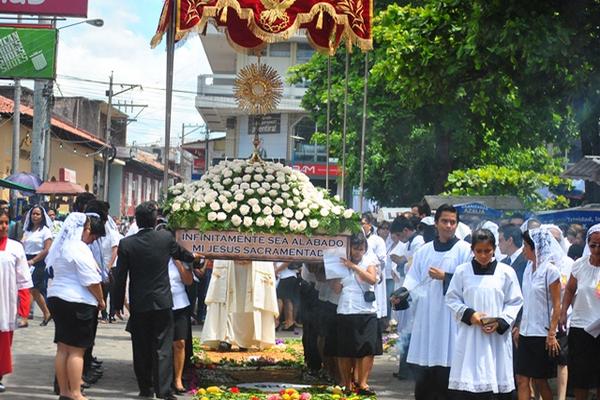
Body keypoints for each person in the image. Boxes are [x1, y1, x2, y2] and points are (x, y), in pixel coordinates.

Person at [114, 201, 200, 400]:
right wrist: (197, 259)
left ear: (136, 220)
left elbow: (120, 276)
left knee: (141, 347)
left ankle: (145, 389)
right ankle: (164, 390)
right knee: (163, 346)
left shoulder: (127, 243)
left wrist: (117, 304)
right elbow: (183, 254)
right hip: (162, 302)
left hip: (140, 303)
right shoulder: (164, 238)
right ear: (155, 221)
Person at [398, 204, 472, 400]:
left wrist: (446, 276)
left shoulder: (465, 250)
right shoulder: (424, 251)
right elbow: (413, 278)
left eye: (453, 222)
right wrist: (402, 292)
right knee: (425, 372)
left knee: (449, 370)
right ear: (436, 223)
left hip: (451, 319)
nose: (449, 226)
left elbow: (471, 281)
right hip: (427, 316)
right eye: (445, 221)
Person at [446, 229, 523, 400]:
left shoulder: (506, 272)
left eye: (487, 251)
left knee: (496, 377)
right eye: (478, 251)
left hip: (496, 337)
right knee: (469, 379)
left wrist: (500, 322)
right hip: (470, 335)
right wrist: (470, 314)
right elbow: (452, 299)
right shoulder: (462, 271)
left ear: (494, 249)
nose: (483, 255)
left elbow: (515, 301)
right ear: (472, 250)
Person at [46, 212, 106, 400]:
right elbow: (91, 279)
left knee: (62, 348)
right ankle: (75, 392)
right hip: (77, 302)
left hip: (57, 297)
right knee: (77, 350)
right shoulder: (79, 248)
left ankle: (64, 391)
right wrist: (101, 300)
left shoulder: (61, 246)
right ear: (84, 228)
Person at [331, 231, 382, 395]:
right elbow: (336, 290)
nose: (358, 252)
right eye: (355, 248)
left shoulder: (369, 261)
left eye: (361, 249)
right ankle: (347, 384)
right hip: (346, 309)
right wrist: (335, 272)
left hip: (366, 310)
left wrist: (353, 267)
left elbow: (372, 279)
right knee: (345, 350)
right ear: (349, 248)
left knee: (367, 348)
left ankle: (363, 382)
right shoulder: (340, 262)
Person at [514, 228, 562, 400]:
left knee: (540, 381)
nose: (523, 249)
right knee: (521, 379)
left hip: (541, 333)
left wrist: (552, 333)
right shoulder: (528, 268)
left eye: (526, 245)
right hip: (526, 332)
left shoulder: (550, 270)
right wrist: (520, 325)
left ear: (536, 247)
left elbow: (557, 304)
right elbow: (525, 300)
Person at [201, 259, 279, 350]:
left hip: (254, 262)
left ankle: (245, 340)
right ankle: (226, 338)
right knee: (228, 298)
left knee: (249, 300)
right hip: (229, 261)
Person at [560, 224, 600, 400]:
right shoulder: (579, 265)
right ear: (588, 244)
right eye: (593, 245)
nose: (597, 249)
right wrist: (563, 312)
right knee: (580, 376)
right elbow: (569, 289)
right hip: (580, 327)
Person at [0, 208, 32, 393]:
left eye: (6, 222)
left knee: (3, 342)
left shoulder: (15, 247)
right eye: (0, 222)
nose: (4, 226)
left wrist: (24, 312)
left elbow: (24, 282)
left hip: (6, 303)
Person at [21, 205, 53, 326]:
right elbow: (23, 244)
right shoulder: (28, 230)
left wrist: (33, 261)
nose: (35, 216)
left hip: (38, 261)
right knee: (30, 289)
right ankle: (46, 313)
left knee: (33, 289)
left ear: (42, 216)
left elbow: (46, 249)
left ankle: (26, 315)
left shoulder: (45, 231)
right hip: (26, 259)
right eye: (33, 214)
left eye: (38, 214)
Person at [168, 258, 193, 394]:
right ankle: (162, 377)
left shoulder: (180, 259)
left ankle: (178, 379)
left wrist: (178, 263)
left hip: (180, 303)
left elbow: (188, 280)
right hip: (160, 304)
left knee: (180, 343)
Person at [275, 262, 299, 330]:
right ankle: (289, 322)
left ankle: (280, 322)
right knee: (286, 299)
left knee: (280, 298)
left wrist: (276, 271)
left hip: (286, 275)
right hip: (286, 275)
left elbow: (288, 260)